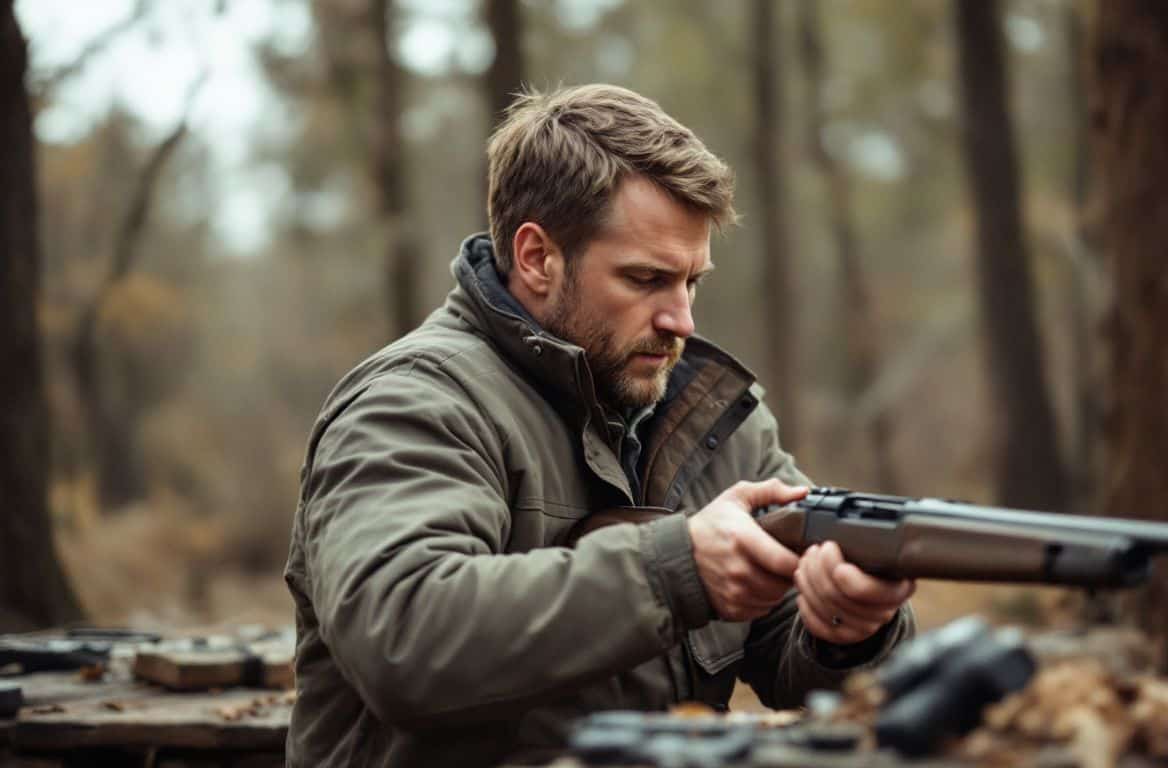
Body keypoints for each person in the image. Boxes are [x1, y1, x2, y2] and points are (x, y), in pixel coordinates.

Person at [284, 84, 916, 767]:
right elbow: (402, 635)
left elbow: (805, 665)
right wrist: (677, 569)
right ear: (536, 258)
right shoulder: (413, 403)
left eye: (691, 282)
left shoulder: (716, 418)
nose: (682, 320)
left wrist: (847, 628)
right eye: (646, 280)